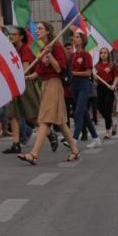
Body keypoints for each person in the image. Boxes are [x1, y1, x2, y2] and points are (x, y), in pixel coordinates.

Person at [18, 23, 81, 165]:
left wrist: (49, 54)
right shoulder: (42, 48)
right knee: (61, 122)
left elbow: (59, 68)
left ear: (47, 31)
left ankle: (33, 154)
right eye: (37, 29)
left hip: (55, 84)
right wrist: (25, 78)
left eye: (40, 28)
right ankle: (75, 150)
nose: (37, 31)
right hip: (45, 85)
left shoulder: (56, 47)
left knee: (45, 119)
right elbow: (38, 72)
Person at [2, 27, 38, 154]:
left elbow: (25, 69)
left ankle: (50, 135)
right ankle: (16, 144)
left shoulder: (25, 49)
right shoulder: (12, 50)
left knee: (31, 115)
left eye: (15, 34)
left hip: (25, 85)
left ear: (21, 37)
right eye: (11, 34)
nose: (11, 36)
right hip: (14, 84)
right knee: (13, 114)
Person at [69, 36, 100, 148]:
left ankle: (74, 139)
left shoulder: (86, 55)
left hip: (84, 85)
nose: (74, 38)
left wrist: (75, 73)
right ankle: (96, 138)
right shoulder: (72, 56)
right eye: (74, 37)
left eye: (77, 37)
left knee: (78, 112)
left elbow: (88, 73)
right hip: (74, 85)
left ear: (82, 41)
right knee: (84, 114)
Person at [93, 48, 118, 139]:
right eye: (101, 53)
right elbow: (96, 79)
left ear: (108, 54)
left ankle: (107, 132)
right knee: (100, 107)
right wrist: (94, 75)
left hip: (109, 88)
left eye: (105, 53)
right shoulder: (97, 66)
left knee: (107, 110)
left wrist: (114, 85)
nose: (103, 54)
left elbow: (116, 77)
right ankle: (112, 123)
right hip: (100, 88)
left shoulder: (112, 65)